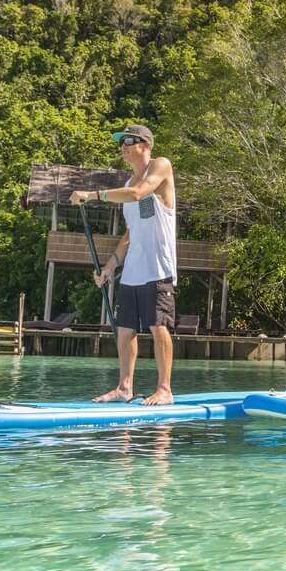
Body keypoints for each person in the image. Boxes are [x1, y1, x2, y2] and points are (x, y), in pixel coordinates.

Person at [69, 124, 178, 405]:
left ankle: (164, 389)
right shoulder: (128, 182)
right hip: (132, 272)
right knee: (125, 329)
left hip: (158, 268)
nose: (123, 146)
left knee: (158, 326)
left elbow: (138, 193)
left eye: (129, 141)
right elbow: (130, 234)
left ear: (146, 144)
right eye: (121, 142)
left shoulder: (161, 166)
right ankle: (124, 388)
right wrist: (109, 267)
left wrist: (93, 195)